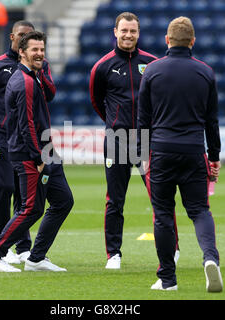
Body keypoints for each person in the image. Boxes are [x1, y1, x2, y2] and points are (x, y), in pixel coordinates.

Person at [90, 12, 180, 270]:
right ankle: (113, 255)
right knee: (115, 201)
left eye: (133, 31)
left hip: (148, 141)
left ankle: (172, 249)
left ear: (138, 34)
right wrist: (114, 122)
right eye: (124, 31)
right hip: (117, 140)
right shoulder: (102, 66)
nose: (128, 35)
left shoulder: (152, 64)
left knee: (161, 197)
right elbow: (97, 101)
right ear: (115, 32)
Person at [138, 17, 222, 292]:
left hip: (161, 151)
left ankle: (168, 280)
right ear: (192, 41)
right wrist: (214, 156)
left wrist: (142, 152)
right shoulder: (205, 73)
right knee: (199, 211)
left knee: (162, 214)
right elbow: (212, 121)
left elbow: (143, 119)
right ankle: (210, 258)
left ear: (167, 40)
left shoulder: (152, 71)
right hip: (194, 150)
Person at [0, 31, 74, 273]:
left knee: (63, 201)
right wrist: (37, 156)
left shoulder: (35, 77)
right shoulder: (24, 82)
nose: (40, 54)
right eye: (34, 50)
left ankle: (36, 257)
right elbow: (27, 124)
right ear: (21, 52)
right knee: (31, 208)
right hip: (31, 154)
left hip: (46, 150)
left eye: (42, 49)